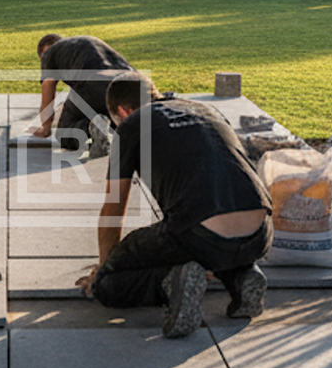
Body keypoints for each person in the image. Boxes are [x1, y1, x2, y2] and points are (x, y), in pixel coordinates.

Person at [77, 72, 274, 338]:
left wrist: (105, 267)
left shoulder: (132, 124)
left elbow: (114, 208)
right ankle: (241, 276)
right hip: (260, 233)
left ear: (123, 111)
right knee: (203, 236)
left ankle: (170, 283)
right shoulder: (206, 109)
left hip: (201, 233)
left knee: (108, 284)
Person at [32, 34, 134, 152]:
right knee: (111, 113)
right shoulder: (87, 42)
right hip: (128, 82)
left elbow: (48, 91)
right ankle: (112, 128)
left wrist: (46, 127)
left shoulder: (49, 53)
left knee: (64, 133)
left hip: (91, 84)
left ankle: (92, 128)